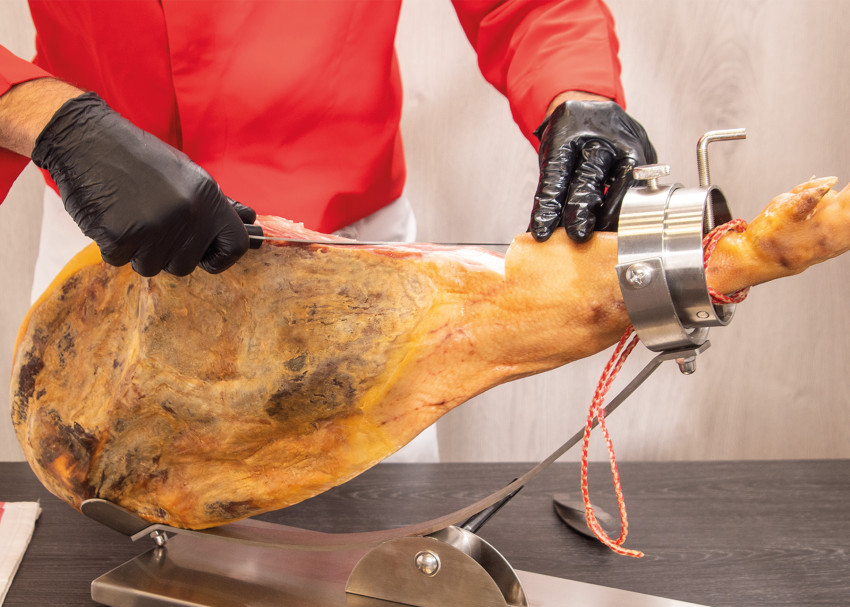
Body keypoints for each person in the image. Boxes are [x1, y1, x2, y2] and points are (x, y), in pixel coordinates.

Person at [0, 1, 655, 461]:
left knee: (382, 557)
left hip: (355, 257)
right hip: (116, 244)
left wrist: (575, 88)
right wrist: (52, 120)